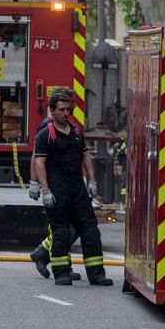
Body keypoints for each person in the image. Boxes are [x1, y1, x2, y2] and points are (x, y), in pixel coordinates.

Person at [31, 90, 112, 287]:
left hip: (77, 186)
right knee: (60, 232)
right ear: (52, 111)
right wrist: (44, 190)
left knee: (90, 229)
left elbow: (86, 156)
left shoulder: (76, 132)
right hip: (57, 187)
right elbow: (39, 162)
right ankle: (61, 273)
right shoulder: (46, 134)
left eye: (68, 109)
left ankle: (96, 274)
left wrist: (92, 182)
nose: (66, 113)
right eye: (61, 109)